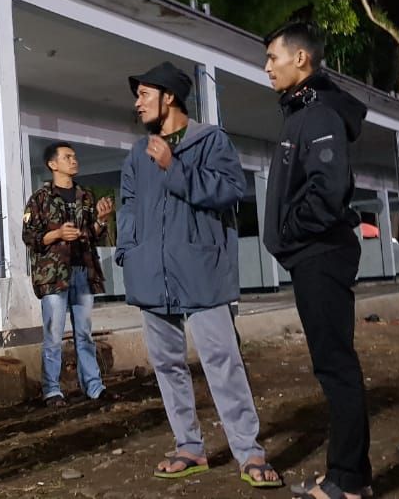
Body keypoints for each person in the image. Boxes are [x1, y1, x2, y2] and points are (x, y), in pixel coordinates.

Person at [116, 62, 283, 489]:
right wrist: (128, 251)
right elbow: (129, 205)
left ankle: (249, 452)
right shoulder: (138, 152)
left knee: (223, 363)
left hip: (201, 270)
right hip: (151, 274)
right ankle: (189, 446)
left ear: (168, 97)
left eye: (144, 95)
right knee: (167, 365)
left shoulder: (211, 140)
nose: (137, 103)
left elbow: (230, 192)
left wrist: (175, 167)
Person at [261, 21, 372, 499]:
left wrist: (288, 231)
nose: (267, 67)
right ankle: (352, 475)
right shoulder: (301, 113)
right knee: (331, 364)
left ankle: (347, 482)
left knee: (335, 367)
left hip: (321, 255)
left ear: (300, 59)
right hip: (314, 255)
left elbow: (327, 195)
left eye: (273, 58)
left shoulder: (319, 114)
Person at [22, 142, 117, 408]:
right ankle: (52, 390)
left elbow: (92, 234)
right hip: (53, 275)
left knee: (84, 333)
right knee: (53, 334)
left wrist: (101, 220)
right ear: (53, 164)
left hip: (82, 271)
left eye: (74, 157)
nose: (73, 161)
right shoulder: (40, 199)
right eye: (67, 157)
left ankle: (94, 387)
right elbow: (29, 236)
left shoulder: (85, 197)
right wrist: (57, 234)